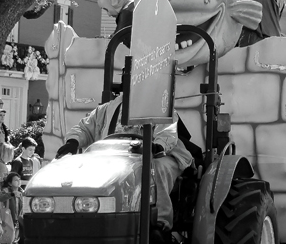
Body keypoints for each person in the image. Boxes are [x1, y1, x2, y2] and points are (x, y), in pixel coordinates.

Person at [55, 96, 192, 231]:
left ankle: (160, 222)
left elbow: (167, 132)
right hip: (118, 156)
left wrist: (158, 146)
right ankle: (90, 214)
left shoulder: (160, 106)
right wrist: (73, 141)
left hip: (160, 154)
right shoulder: (106, 109)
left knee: (156, 168)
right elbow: (84, 128)